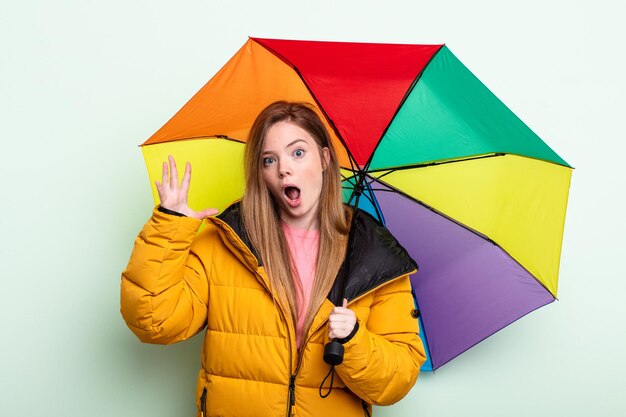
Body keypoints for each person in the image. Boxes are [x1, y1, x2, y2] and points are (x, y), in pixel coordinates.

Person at [121, 101, 426, 417]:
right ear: (260, 173)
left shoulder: (374, 256)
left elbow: (395, 382)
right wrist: (169, 226)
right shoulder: (225, 241)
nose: (284, 168)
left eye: (297, 152)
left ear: (324, 159)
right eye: (269, 159)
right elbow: (154, 322)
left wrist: (353, 339)